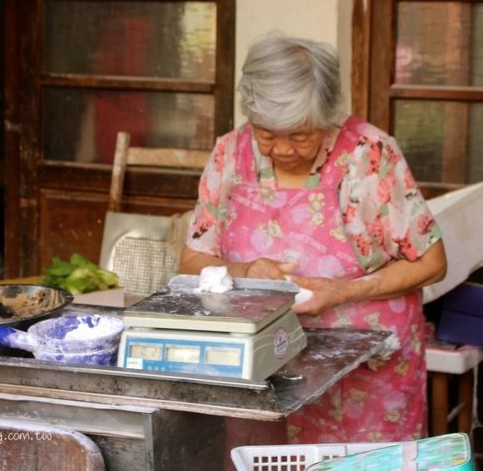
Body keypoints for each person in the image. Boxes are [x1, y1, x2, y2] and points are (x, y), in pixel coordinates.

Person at [180, 34, 447, 447]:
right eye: (267, 134)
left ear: (326, 116)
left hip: (365, 378)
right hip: (262, 375)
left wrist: (343, 291)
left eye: (301, 135)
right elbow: (192, 259)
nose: (283, 149)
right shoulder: (229, 155)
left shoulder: (369, 155)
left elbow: (431, 262)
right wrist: (244, 272)